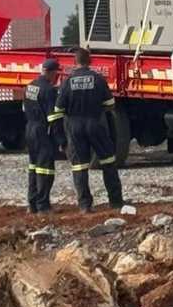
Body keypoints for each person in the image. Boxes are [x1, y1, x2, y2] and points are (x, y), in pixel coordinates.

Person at [56, 47, 124, 213]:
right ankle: (115, 202)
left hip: (75, 126)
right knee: (108, 161)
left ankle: (85, 205)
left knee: (79, 166)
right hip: (96, 123)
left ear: (75, 62)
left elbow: (59, 109)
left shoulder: (67, 81)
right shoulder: (98, 79)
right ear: (90, 61)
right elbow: (110, 105)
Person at [23, 58, 63, 214]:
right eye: (56, 74)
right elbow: (53, 118)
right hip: (41, 130)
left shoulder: (30, 86)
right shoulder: (49, 90)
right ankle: (43, 205)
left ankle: (32, 203)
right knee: (46, 168)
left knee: (33, 166)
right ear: (52, 72)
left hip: (29, 128)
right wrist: (61, 139)